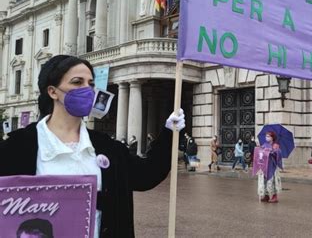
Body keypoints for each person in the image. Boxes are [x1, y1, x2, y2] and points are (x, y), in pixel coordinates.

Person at [0, 55, 185, 238]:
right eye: (77, 82)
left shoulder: (107, 147)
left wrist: (169, 133)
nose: (87, 89)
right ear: (53, 91)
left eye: (90, 83)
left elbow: (146, 175)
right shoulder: (17, 148)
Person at [257, 131, 282, 203]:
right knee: (265, 180)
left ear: (272, 137)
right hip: (265, 166)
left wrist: (274, 152)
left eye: (268, 136)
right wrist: (260, 149)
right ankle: (266, 195)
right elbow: (260, 153)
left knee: (272, 180)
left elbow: (279, 155)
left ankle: (274, 196)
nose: (266, 137)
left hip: (272, 166)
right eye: (266, 136)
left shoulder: (276, 146)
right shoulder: (264, 144)